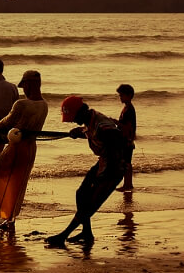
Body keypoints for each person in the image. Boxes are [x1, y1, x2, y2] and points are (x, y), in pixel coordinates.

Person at [45, 96, 129, 246]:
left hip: (113, 167)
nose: (71, 120)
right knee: (81, 193)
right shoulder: (91, 120)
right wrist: (82, 132)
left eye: (73, 117)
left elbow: (118, 141)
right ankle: (86, 233)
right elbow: (93, 132)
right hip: (104, 162)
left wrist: (104, 175)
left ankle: (63, 236)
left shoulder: (103, 127)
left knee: (91, 203)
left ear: (80, 112)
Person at [0, 70, 48, 231]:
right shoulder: (44, 105)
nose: (24, 89)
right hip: (30, 150)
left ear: (29, 84)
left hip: (16, 149)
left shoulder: (22, 104)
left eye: (25, 86)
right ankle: (10, 221)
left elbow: (8, 122)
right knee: (16, 185)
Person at [115, 84, 136, 192]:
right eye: (120, 95)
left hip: (127, 140)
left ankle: (128, 185)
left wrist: (115, 122)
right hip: (126, 139)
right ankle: (127, 184)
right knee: (126, 162)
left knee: (126, 163)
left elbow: (128, 127)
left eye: (122, 95)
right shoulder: (126, 108)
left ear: (129, 95)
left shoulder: (129, 110)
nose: (120, 97)